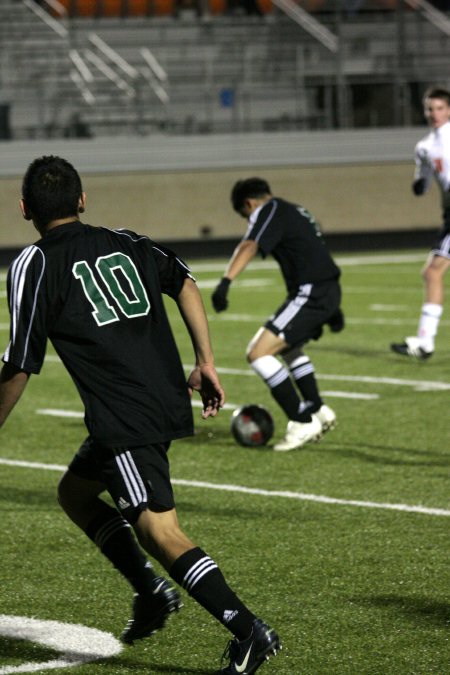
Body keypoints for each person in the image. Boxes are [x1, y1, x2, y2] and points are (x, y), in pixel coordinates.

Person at [0, 156, 281, 675]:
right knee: (75, 492)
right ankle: (149, 591)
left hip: (124, 415)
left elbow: (19, 363)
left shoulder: (34, 264)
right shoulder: (127, 240)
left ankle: (249, 631)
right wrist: (206, 362)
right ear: (82, 200)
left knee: (159, 531)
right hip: (159, 398)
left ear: (23, 209)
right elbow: (185, 281)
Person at [211, 177, 344, 452]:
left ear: (249, 204)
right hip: (324, 289)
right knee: (290, 347)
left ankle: (301, 420)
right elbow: (313, 249)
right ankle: (318, 410)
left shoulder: (269, 210)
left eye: (245, 215)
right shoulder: (296, 210)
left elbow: (249, 245)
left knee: (258, 353)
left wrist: (225, 283)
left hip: (311, 292)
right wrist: (333, 306)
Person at [391, 86, 450, 360]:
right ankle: (424, 342)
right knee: (432, 273)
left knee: (433, 272)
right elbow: (423, 181)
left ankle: (425, 342)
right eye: (430, 108)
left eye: (439, 108)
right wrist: (419, 186)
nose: (434, 114)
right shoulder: (424, 147)